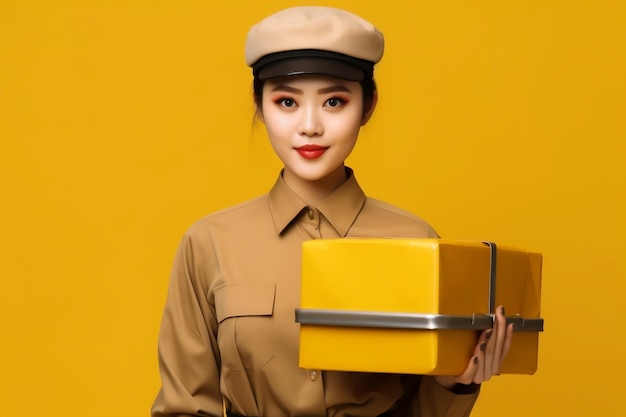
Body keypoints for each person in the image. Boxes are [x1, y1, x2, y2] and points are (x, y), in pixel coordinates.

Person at [151, 6, 512, 417]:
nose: (309, 126)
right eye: (286, 101)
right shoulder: (208, 242)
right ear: (259, 104)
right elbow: (184, 407)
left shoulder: (418, 241)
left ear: (368, 105)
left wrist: (456, 382)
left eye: (334, 101)